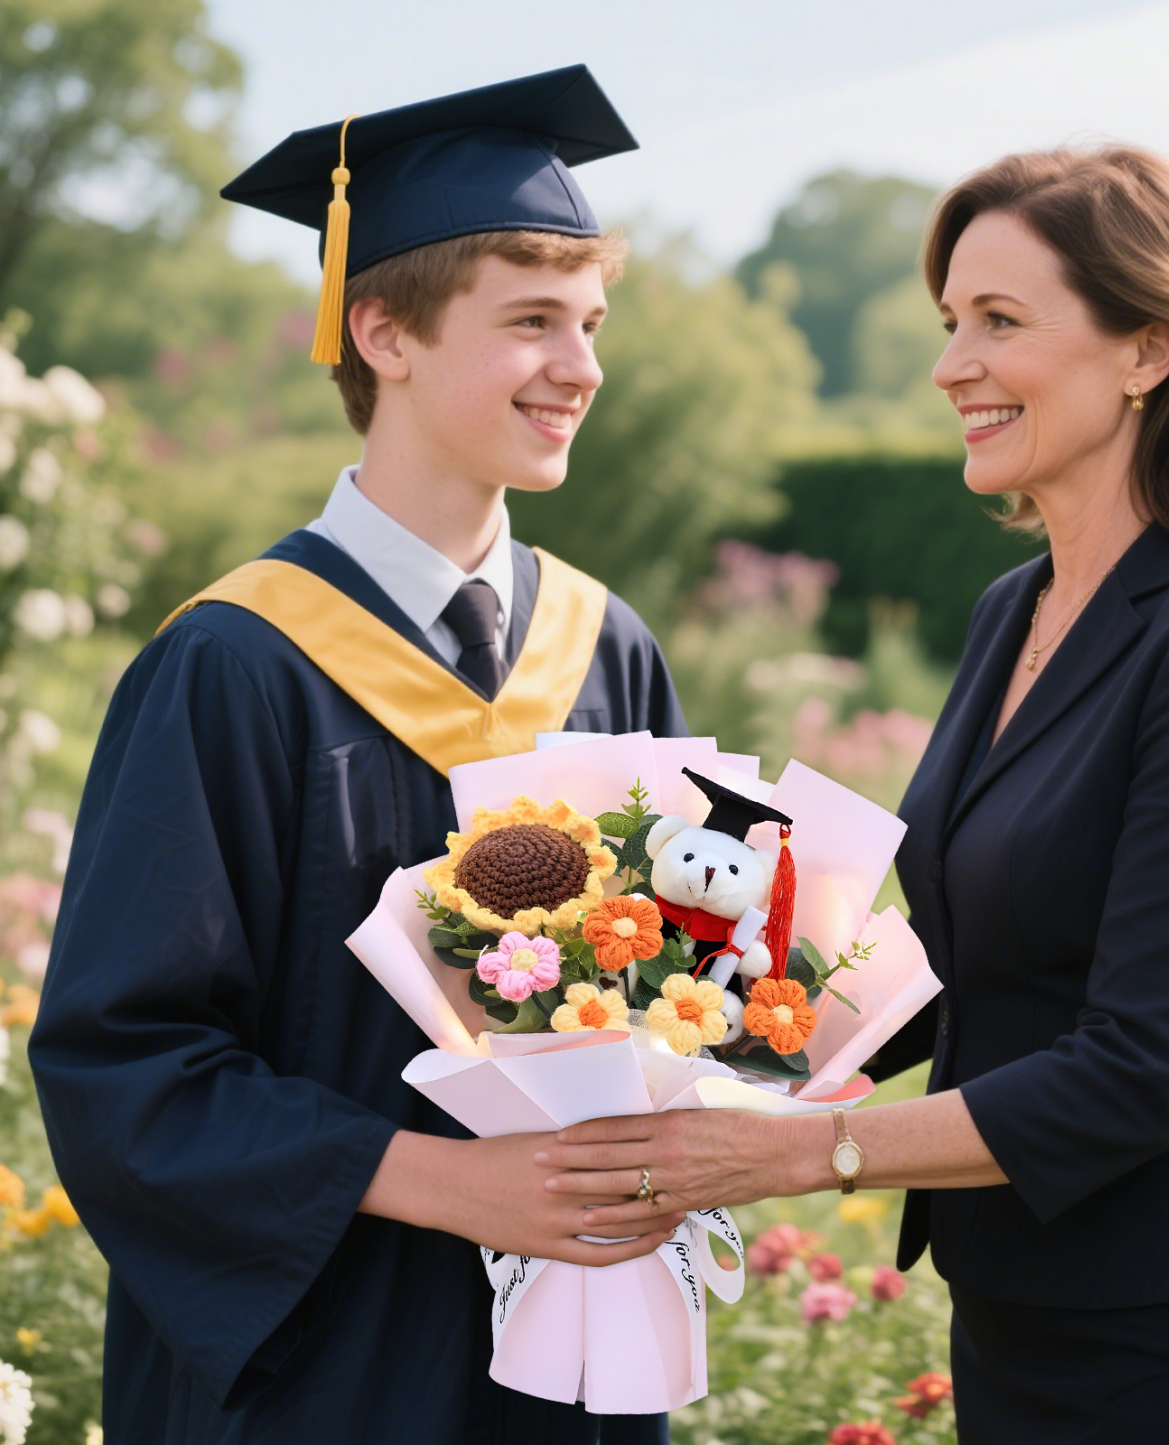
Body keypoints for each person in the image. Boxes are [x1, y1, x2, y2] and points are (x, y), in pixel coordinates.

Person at [537, 146, 1169, 1442]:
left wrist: (793, 1153)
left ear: (1146, 350)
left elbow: (1144, 1063)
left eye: (998, 321)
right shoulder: (1011, 611)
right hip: (1022, 1297)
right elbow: (954, 960)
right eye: (949, 324)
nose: (950, 366)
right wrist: (682, 1047)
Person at [31, 68, 685, 1445]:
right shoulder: (231, 664)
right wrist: (456, 1184)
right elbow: (126, 1066)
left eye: (589, 323)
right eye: (530, 323)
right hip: (319, 1371)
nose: (582, 368)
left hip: (571, 1355)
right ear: (380, 331)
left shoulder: (604, 646)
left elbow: (677, 989)